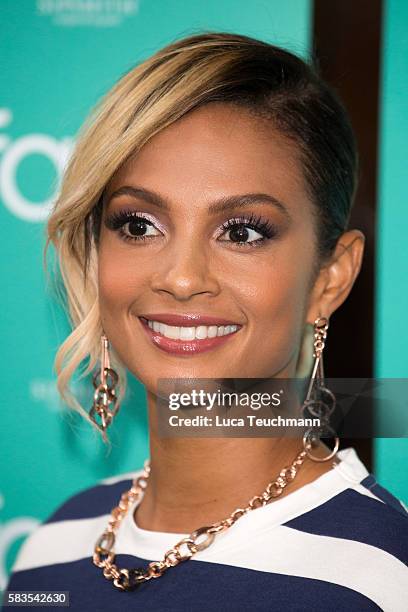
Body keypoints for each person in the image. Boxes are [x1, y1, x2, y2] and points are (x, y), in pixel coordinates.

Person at [3, 31, 407, 612]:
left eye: (242, 231)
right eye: (139, 225)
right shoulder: (53, 550)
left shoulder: (379, 575)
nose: (182, 276)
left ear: (331, 278)